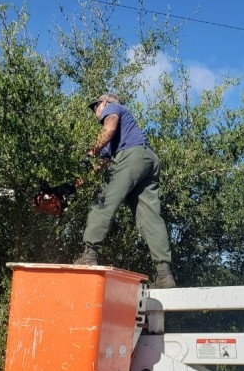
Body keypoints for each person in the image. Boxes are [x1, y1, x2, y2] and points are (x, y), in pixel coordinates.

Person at [75, 92, 176, 289]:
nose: (96, 113)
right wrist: (76, 183)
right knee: (149, 217)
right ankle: (164, 275)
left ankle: (88, 255)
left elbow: (109, 127)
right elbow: (102, 163)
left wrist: (89, 152)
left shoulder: (114, 109)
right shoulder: (118, 137)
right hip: (148, 159)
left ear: (103, 103)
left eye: (95, 107)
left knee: (103, 202)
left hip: (131, 156)